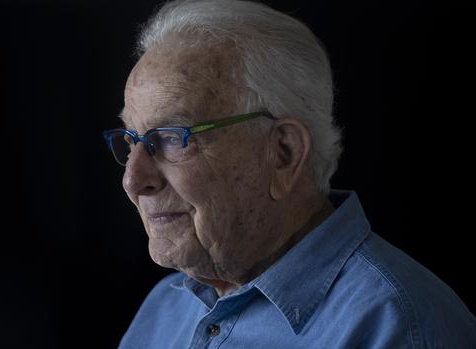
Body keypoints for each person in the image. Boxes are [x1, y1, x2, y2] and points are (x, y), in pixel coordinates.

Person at [102, 0, 476, 347]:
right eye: (131, 139)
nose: (133, 181)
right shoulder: (163, 309)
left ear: (284, 153)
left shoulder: (396, 325)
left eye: (170, 138)